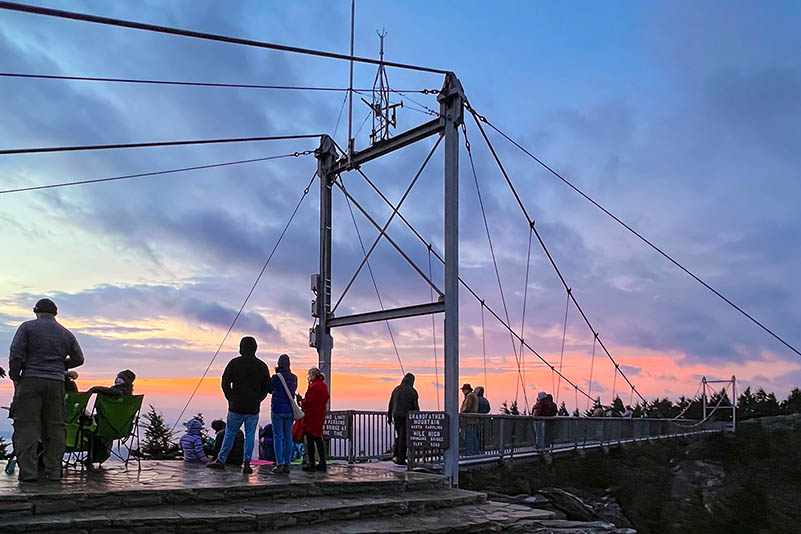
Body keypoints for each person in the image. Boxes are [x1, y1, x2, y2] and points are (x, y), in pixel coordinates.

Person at [8, 298, 84, 482]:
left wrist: (15, 375)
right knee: (55, 428)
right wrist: (60, 364)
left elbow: (16, 353)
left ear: (36, 311)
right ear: (55, 313)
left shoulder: (27, 327)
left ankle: (28, 473)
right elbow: (79, 359)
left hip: (31, 380)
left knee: (27, 426)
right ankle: (53, 472)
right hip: (56, 383)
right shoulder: (66, 334)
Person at [207, 337, 271, 475]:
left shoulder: (234, 363)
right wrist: (258, 399)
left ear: (242, 347)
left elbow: (224, 382)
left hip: (236, 405)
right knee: (249, 436)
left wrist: (230, 397)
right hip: (253, 407)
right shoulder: (262, 366)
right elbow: (266, 387)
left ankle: (221, 460)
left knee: (229, 433)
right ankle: (247, 462)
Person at [270, 353, 297, 474]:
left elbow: (270, 390)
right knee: (288, 438)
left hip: (277, 410)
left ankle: (279, 463)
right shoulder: (294, 378)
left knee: (278, 437)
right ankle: (287, 464)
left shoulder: (276, 377)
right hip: (289, 411)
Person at [299, 367, 329, 472]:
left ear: (313, 375)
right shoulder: (323, 386)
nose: (309, 377)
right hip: (320, 415)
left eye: (310, 375)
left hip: (311, 416)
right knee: (318, 437)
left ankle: (311, 464)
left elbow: (308, 401)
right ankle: (322, 462)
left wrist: (301, 402)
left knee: (310, 439)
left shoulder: (314, 387)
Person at [387, 373, 419, 466]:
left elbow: (391, 404)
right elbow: (415, 407)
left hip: (396, 416)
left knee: (398, 436)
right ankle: (401, 458)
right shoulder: (412, 391)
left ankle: (395, 455)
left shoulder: (396, 389)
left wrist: (389, 417)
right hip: (406, 417)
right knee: (404, 437)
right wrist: (417, 418)